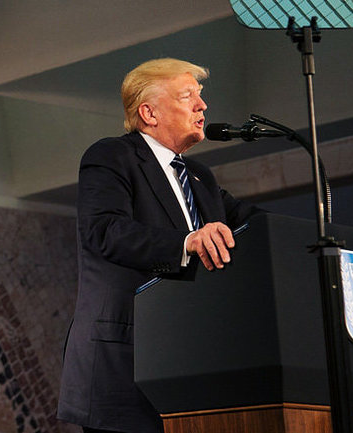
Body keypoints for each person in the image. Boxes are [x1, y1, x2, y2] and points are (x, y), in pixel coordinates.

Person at [57, 58, 259, 433]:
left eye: (200, 95)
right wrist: (187, 241)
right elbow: (105, 231)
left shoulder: (199, 177)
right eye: (187, 96)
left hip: (190, 364)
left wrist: (316, 237)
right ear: (149, 113)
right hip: (126, 363)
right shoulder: (112, 156)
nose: (202, 105)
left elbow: (254, 224)